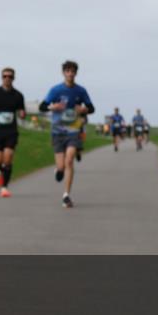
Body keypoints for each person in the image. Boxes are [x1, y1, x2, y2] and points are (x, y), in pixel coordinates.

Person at [38, 61, 95, 208]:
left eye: (73, 71)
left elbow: (91, 108)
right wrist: (53, 106)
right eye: (67, 71)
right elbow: (42, 106)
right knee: (62, 165)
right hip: (57, 131)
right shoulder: (56, 90)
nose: (70, 74)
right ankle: (59, 169)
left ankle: (66, 195)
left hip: (73, 130)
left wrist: (83, 110)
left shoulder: (81, 91)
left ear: (76, 73)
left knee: (69, 160)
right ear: (63, 73)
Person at [0, 68, 26, 198]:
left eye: (10, 76)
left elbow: (21, 111)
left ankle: (4, 187)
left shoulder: (18, 95)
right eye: (5, 76)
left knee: (7, 158)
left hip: (11, 131)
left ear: (13, 78)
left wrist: (22, 114)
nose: (7, 78)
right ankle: (0, 171)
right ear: (2, 77)